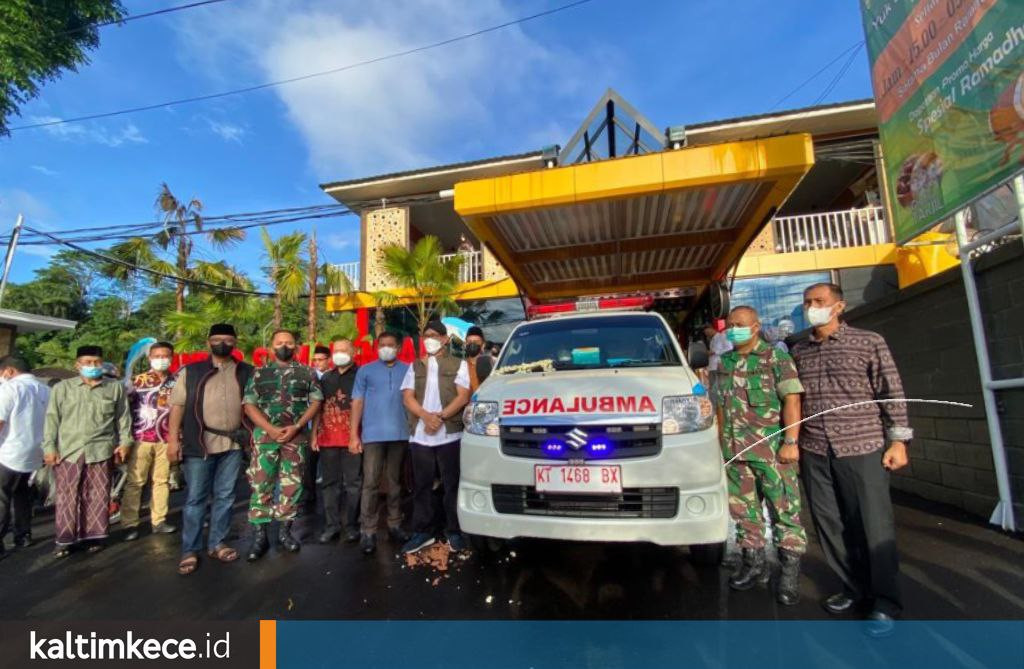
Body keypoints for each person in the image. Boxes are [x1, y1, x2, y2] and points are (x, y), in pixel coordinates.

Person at [790, 283, 912, 635]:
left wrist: (899, 441)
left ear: (839, 306)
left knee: (873, 526)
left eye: (820, 302)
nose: (812, 307)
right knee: (830, 526)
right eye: (808, 303)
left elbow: (892, 390)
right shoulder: (799, 351)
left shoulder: (868, 342)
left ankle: (885, 602)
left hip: (862, 447)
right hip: (816, 451)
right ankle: (853, 588)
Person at [716, 307, 806, 605]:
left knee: (785, 513)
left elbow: (791, 400)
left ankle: (789, 575)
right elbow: (718, 407)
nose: (733, 330)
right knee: (745, 514)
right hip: (735, 453)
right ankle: (754, 565)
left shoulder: (775, 358)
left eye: (739, 325)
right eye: (729, 326)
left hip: (772, 453)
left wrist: (791, 441)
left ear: (756, 327)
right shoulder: (725, 362)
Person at [168, 323, 253, 576]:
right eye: (217, 339)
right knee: (195, 499)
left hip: (233, 443)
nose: (222, 344)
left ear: (235, 343)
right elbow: (177, 407)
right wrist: (173, 440)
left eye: (228, 339)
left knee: (226, 496)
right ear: (208, 343)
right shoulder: (191, 372)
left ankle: (217, 543)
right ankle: (190, 549)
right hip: (200, 442)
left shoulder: (246, 371)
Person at [42, 346, 132, 559]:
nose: (92, 366)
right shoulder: (63, 388)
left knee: (98, 494)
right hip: (69, 450)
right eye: (88, 362)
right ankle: (65, 539)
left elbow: (123, 418)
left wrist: (125, 442)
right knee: (66, 496)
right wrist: (49, 447)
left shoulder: (114, 388)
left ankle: (94, 536)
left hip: (101, 449)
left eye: (97, 362)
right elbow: (52, 419)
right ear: (78, 365)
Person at [242, 329, 323, 561]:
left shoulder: (307, 373)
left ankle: (285, 534)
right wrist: (269, 428)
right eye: (279, 343)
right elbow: (249, 405)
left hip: (295, 438)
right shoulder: (259, 373)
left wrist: (297, 426)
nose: (284, 346)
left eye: (289, 343)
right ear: (271, 347)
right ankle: (260, 537)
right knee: (261, 485)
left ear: (296, 347)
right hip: (265, 438)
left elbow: (316, 401)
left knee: (292, 485)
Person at [400, 321, 470, 554]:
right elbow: (408, 397)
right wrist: (425, 417)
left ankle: (454, 531)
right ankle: (423, 531)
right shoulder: (415, 365)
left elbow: (463, 396)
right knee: (422, 485)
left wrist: (438, 417)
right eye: (426, 335)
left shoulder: (458, 364)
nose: (429, 339)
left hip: (449, 433)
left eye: (434, 335)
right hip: (421, 436)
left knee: (452, 484)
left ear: (445, 339)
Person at [350, 332, 410, 555]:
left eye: (391, 345)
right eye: (382, 345)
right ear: (377, 347)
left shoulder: (409, 370)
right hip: (372, 435)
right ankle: (368, 530)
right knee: (371, 483)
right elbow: (357, 402)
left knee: (395, 483)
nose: (386, 348)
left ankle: (395, 524)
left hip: (401, 434)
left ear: (399, 346)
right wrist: (353, 435)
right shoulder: (365, 371)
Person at [121, 341, 178, 541]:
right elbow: (122, 409)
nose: (161, 360)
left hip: (167, 438)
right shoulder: (136, 382)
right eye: (157, 356)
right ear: (149, 358)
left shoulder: (177, 381)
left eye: (165, 356)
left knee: (161, 481)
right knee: (135, 482)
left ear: (172, 357)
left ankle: (159, 520)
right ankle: (129, 523)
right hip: (140, 438)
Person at [0, 356, 50, 559]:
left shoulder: (9, 389)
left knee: (2, 497)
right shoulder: (46, 390)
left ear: (9, 371)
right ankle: (23, 535)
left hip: (8, 452)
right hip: (34, 453)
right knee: (22, 494)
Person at [314, 338, 362, 544]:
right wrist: (314, 433)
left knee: (353, 484)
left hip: (354, 439)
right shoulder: (325, 378)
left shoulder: (361, 376)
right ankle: (331, 525)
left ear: (354, 352)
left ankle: (352, 525)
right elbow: (318, 406)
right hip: (328, 439)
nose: (339, 353)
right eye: (337, 350)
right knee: (329, 484)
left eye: (344, 350)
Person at [301, 344, 333, 516]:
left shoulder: (333, 376)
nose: (318, 363)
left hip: (328, 425)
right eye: (315, 360)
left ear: (329, 360)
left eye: (321, 360)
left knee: (328, 463)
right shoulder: (308, 376)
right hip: (309, 425)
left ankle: (329, 496)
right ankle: (309, 492)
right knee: (309, 462)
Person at [465, 326, 493, 392]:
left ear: (483, 345)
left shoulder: (490, 364)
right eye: (469, 341)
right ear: (465, 344)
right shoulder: (461, 365)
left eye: (476, 342)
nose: (472, 344)